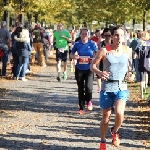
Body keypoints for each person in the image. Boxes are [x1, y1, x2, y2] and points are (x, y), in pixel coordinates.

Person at [90, 26, 133, 150]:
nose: (118, 38)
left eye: (121, 35)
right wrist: (100, 73)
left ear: (124, 37)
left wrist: (130, 73)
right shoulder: (104, 51)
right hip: (107, 87)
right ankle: (103, 141)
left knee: (120, 112)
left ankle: (115, 131)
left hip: (121, 86)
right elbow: (92, 66)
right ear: (112, 37)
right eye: (116, 35)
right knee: (106, 117)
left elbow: (129, 66)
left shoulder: (127, 50)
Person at [70, 28, 98, 114]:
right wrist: (75, 57)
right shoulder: (77, 44)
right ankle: (81, 107)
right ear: (80, 35)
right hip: (79, 69)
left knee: (89, 87)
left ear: (88, 35)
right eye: (83, 34)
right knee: (81, 88)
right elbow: (71, 54)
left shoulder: (92, 44)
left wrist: (94, 59)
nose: (84, 36)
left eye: (86, 34)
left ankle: (89, 100)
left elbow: (97, 53)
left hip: (89, 68)